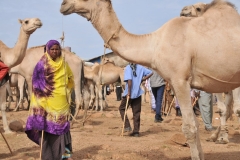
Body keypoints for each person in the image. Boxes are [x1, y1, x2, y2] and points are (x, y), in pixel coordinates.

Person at [25, 40, 74, 160]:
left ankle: (65, 157)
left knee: (64, 131)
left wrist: (67, 88)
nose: (55, 51)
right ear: (48, 50)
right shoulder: (41, 65)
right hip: (46, 105)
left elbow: (70, 77)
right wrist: (41, 101)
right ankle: (48, 157)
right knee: (47, 130)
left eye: (57, 49)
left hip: (62, 104)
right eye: (52, 49)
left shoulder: (63, 63)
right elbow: (36, 85)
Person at [119, 63, 153, 137]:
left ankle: (127, 126)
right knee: (136, 112)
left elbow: (130, 81)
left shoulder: (128, 67)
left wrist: (128, 92)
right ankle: (136, 132)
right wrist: (143, 79)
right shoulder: (141, 67)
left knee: (122, 108)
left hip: (130, 93)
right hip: (137, 93)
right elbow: (151, 72)